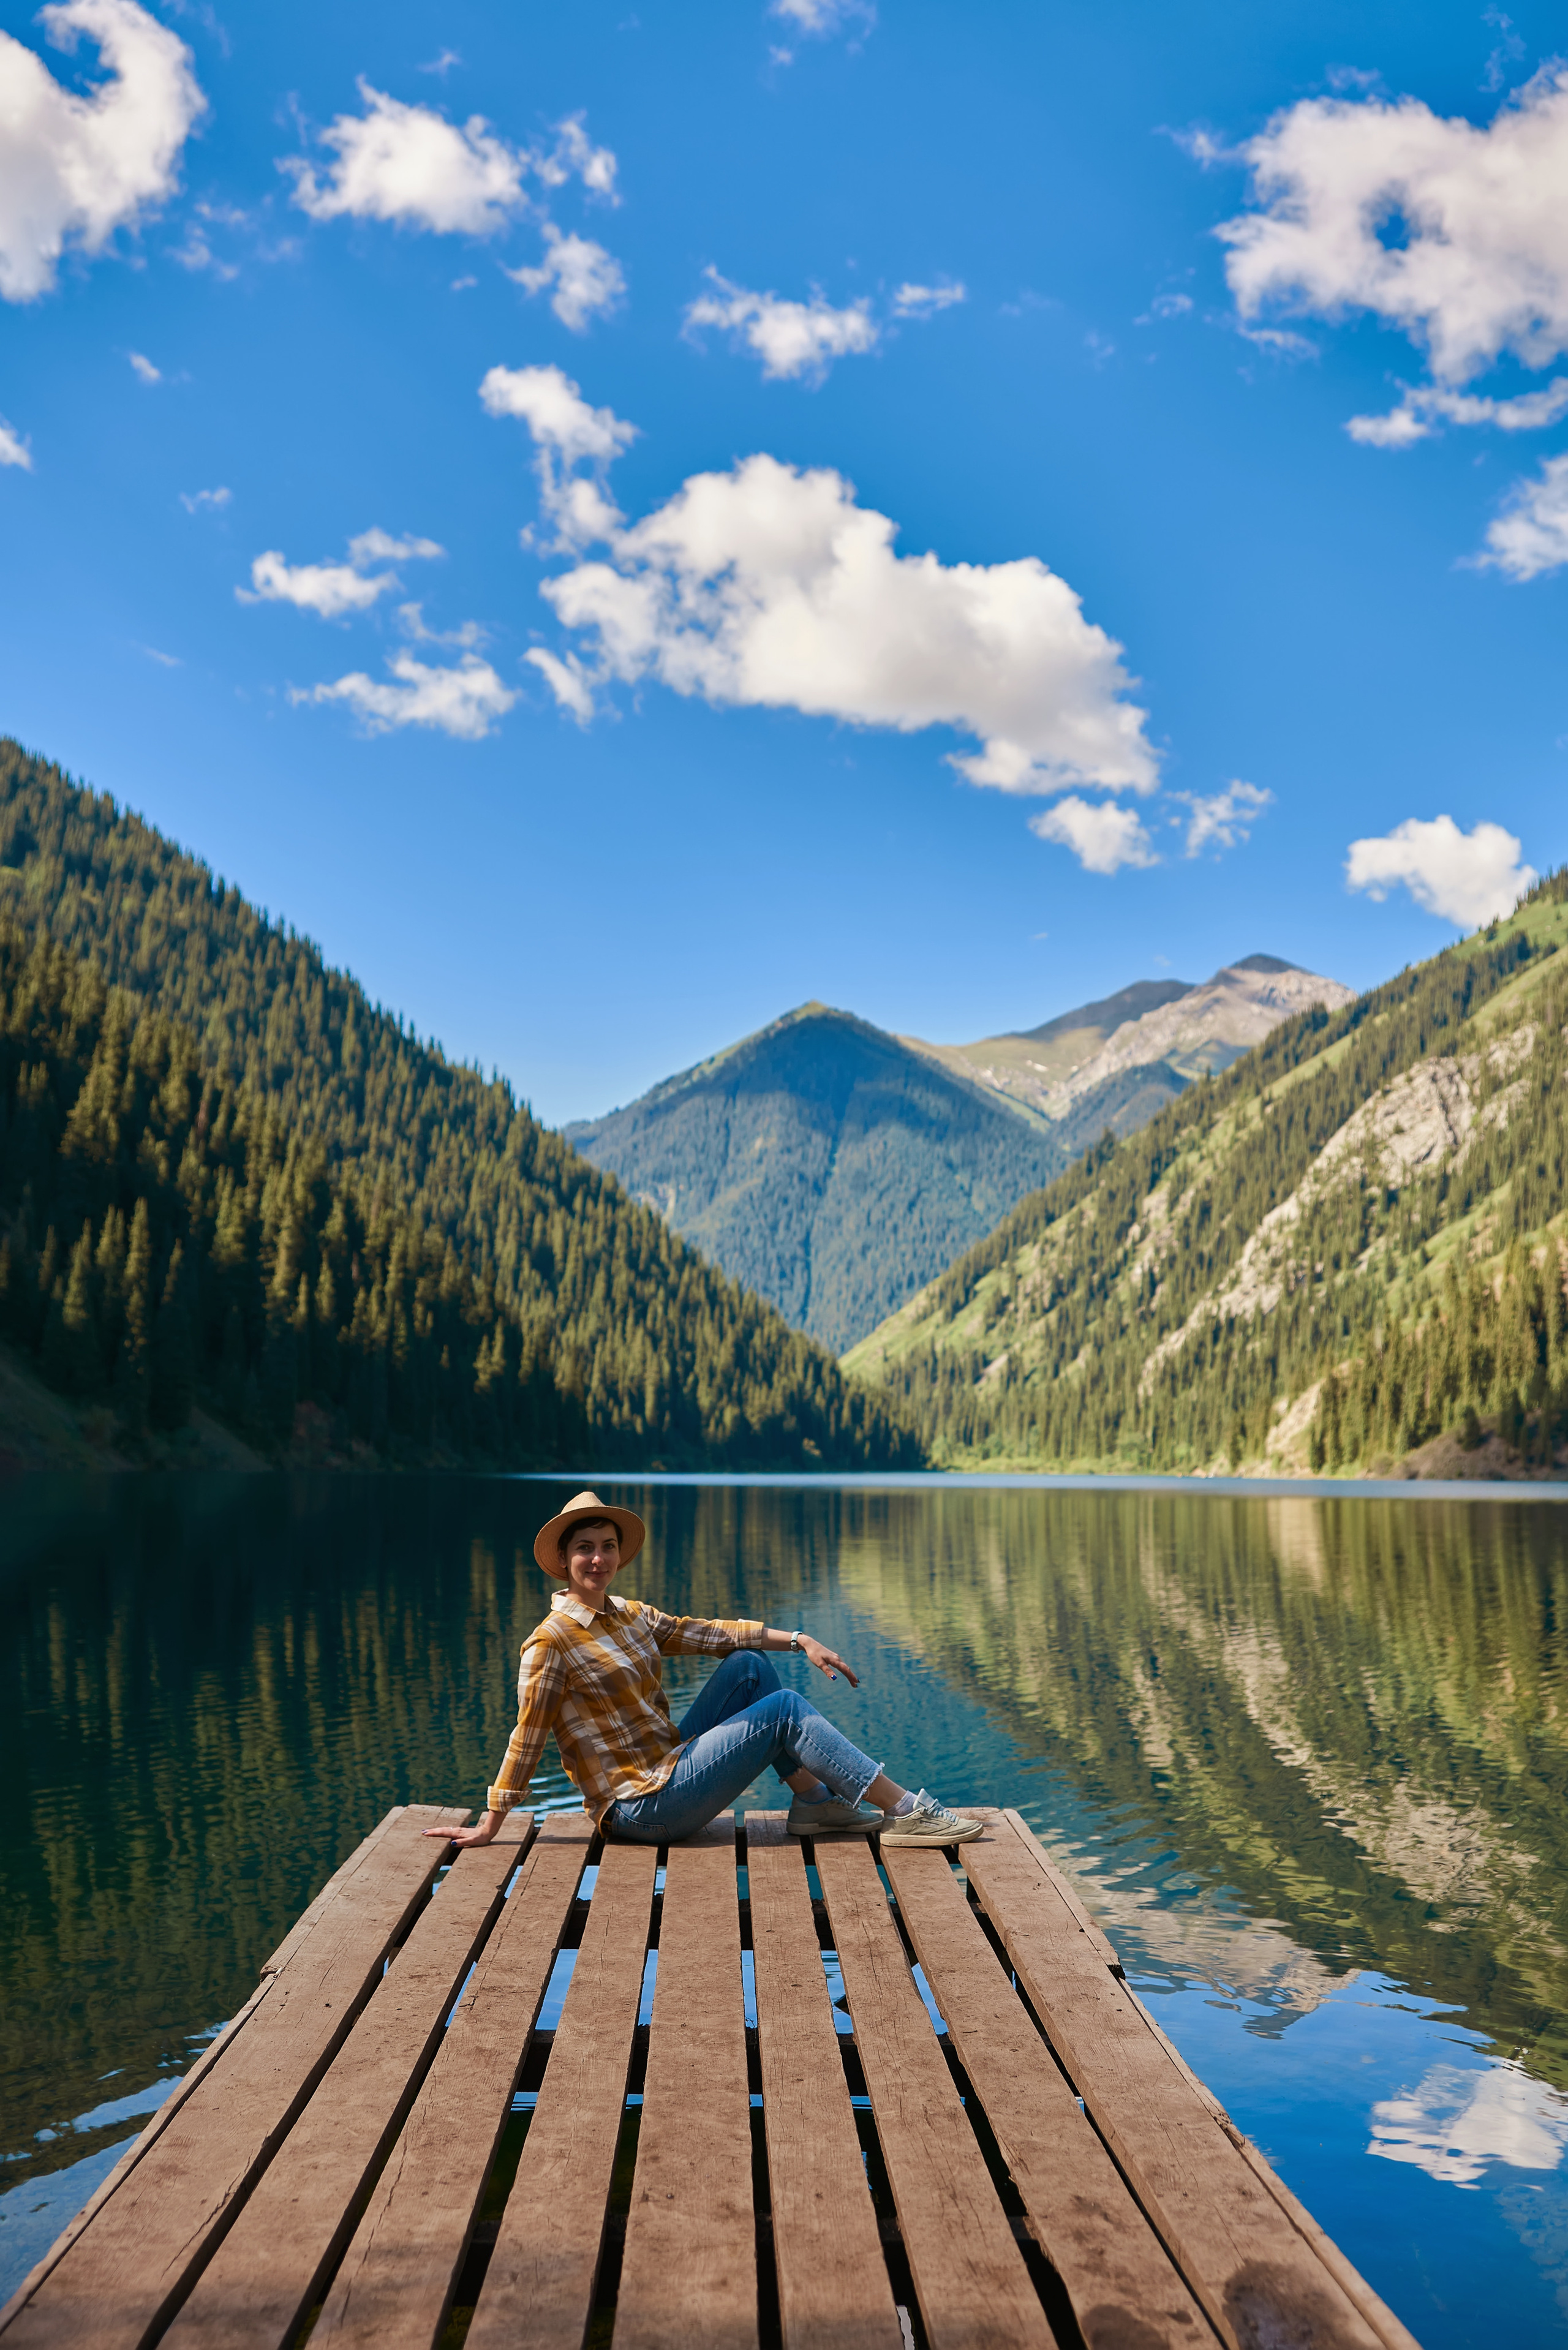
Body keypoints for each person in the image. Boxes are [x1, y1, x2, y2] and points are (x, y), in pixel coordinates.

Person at [428, 1490, 982, 1850]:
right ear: (565, 1561)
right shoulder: (550, 1643)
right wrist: (492, 1821)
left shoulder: (632, 1616)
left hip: (667, 1767)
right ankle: (907, 1810)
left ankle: (814, 1804)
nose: (598, 1558)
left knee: (748, 1666)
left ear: (620, 1552)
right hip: (636, 1809)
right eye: (584, 1549)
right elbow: (526, 1736)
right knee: (785, 1710)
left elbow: (713, 1633)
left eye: (607, 1546)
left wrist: (799, 1638)